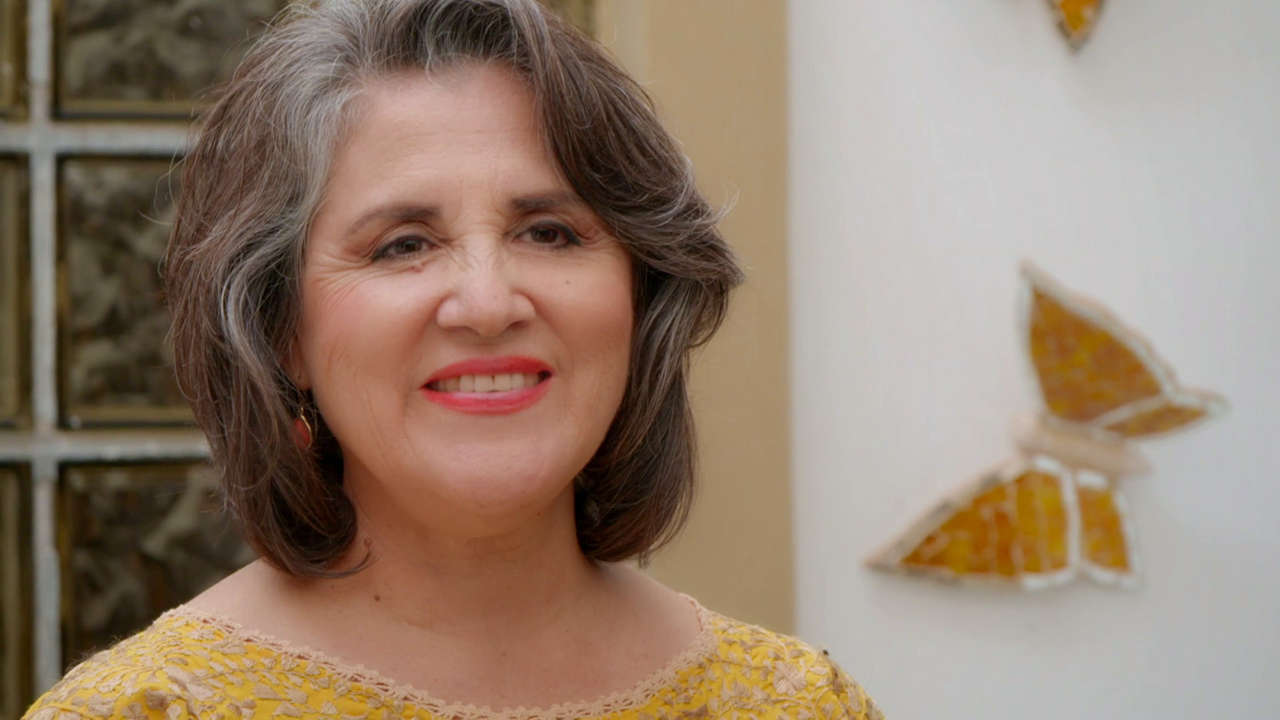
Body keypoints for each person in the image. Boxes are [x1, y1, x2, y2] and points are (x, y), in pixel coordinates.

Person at [25, 1, 882, 717]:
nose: (488, 303)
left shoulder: (798, 705)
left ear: (641, 293)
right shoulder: (142, 711)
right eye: (403, 244)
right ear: (281, 329)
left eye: (549, 232)